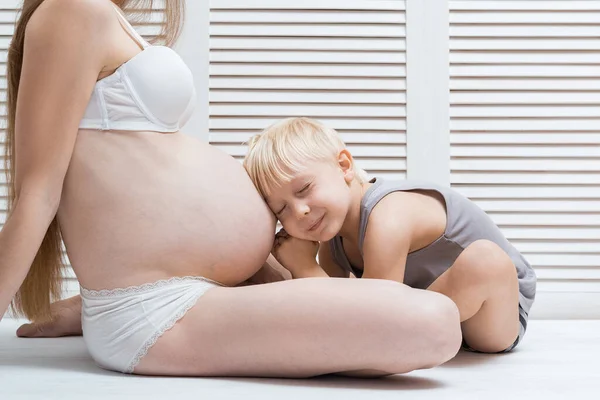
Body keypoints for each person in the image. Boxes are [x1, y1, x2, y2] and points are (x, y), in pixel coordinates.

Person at [0, 0, 461, 377]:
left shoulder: (100, 15)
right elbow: (38, 194)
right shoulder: (71, 10)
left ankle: (94, 310)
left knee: (419, 315)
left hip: (191, 290)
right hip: (160, 312)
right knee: (434, 323)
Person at [243, 117, 537, 354]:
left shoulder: (389, 215)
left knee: (483, 260)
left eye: (304, 189)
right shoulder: (334, 239)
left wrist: (306, 268)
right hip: (441, 323)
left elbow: (373, 317)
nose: (299, 212)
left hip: (496, 314)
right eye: (281, 210)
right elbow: (334, 314)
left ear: (343, 166)